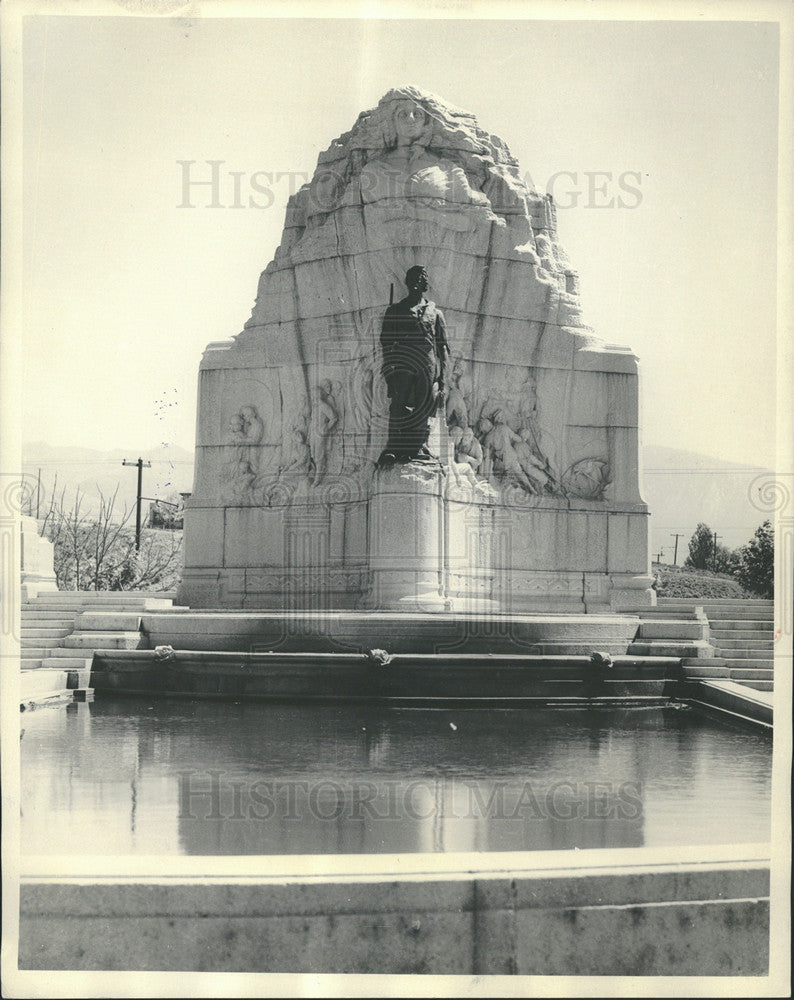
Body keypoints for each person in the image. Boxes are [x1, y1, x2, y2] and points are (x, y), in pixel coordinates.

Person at [378, 265, 450, 463]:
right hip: (404, 360)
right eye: (413, 278)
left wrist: (443, 377)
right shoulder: (396, 310)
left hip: (427, 363)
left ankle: (417, 446)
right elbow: (386, 342)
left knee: (424, 405)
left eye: (421, 279)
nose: (417, 282)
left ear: (426, 284)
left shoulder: (435, 313)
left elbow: (443, 347)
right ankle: (393, 447)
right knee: (398, 404)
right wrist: (389, 367)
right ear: (407, 283)